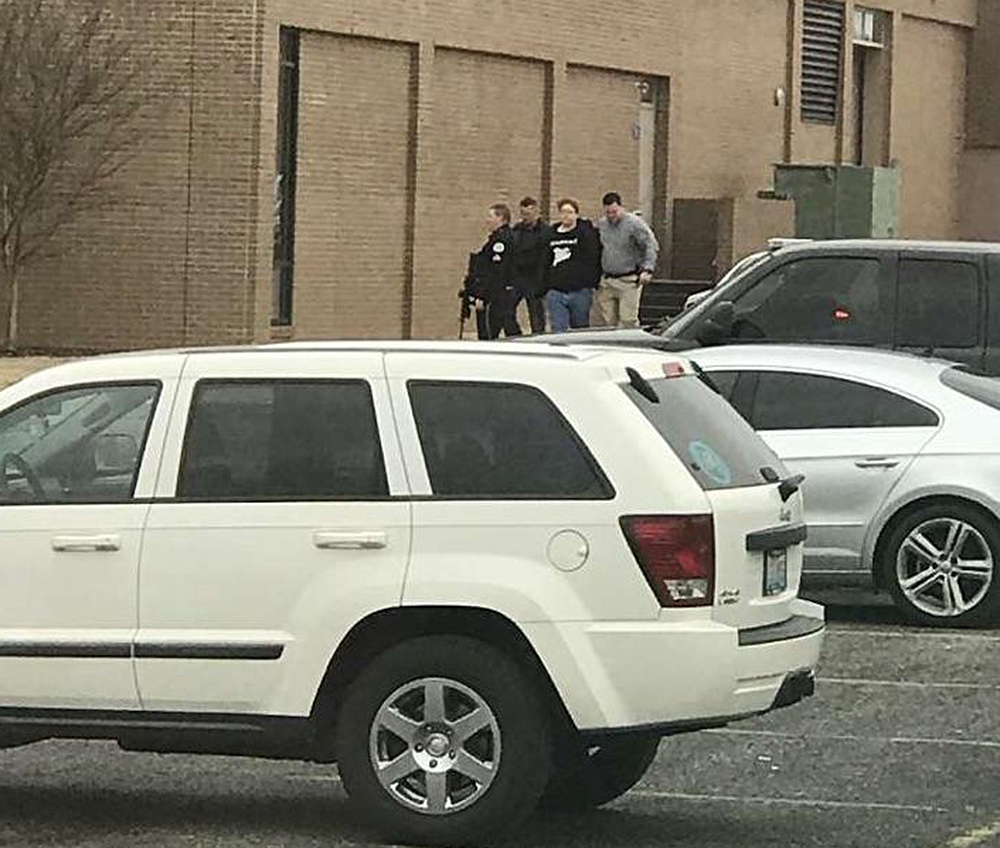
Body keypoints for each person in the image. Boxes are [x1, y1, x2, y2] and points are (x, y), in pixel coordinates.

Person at [593, 191, 659, 328]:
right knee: (607, 322)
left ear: (621, 208)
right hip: (607, 281)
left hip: (629, 280)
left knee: (628, 320)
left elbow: (650, 246)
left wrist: (647, 269)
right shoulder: (601, 225)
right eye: (608, 212)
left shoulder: (635, 224)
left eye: (614, 212)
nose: (611, 216)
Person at [543, 198, 602, 332]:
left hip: (579, 291)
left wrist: (591, 281)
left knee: (580, 328)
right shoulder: (550, 234)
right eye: (563, 212)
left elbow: (593, 257)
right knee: (558, 328)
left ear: (576, 214)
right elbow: (544, 260)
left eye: (570, 212)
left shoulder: (585, 233)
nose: (566, 215)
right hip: (556, 291)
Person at [469, 203, 519, 339]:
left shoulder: (501, 241)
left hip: (496, 296)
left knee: (489, 333)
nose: (487, 220)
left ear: (501, 218)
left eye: (491, 216)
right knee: (508, 325)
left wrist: (482, 295)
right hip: (500, 293)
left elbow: (496, 271)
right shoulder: (500, 238)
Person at [510, 197, 552, 334]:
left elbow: (546, 258)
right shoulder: (516, 230)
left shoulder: (546, 232)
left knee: (536, 318)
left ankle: (538, 341)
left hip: (536, 280)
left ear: (536, 212)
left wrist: (543, 282)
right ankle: (515, 336)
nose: (525, 217)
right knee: (506, 309)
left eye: (528, 214)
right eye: (523, 214)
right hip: (518, 278)